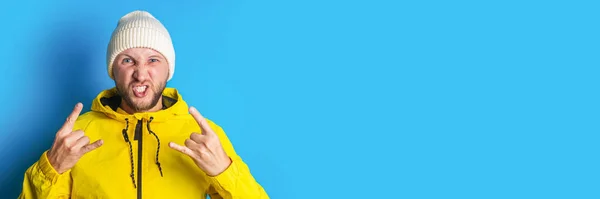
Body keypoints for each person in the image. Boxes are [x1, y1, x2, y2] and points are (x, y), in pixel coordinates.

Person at [19, 10, 269, 199]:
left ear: (168, 69)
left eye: (153, 60)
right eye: (128, 60)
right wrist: (52, 168)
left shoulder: (204, 137)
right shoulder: (76, 137)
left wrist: (224, 172)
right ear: (112, 70)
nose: (140, 74)